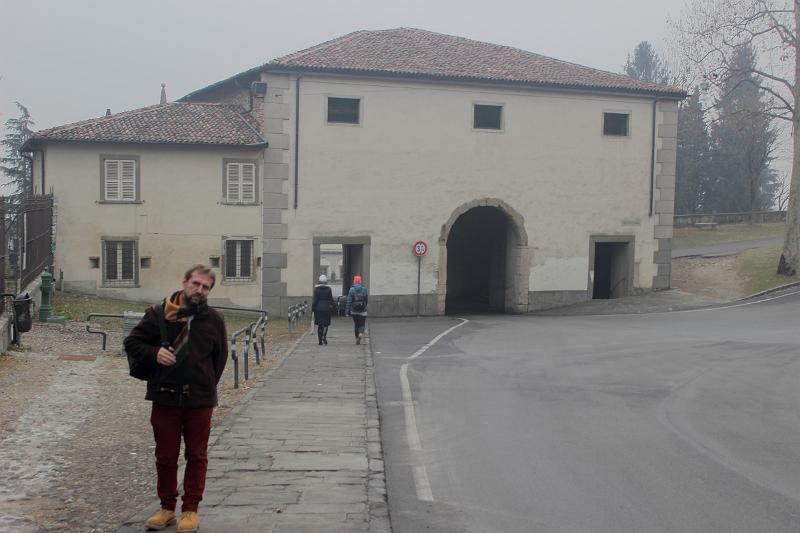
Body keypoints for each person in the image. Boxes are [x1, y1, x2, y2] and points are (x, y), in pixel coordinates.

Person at [124, 264, 228, 533]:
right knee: (166, 456)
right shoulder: (158, 313)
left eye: (205, 287)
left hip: (199, 400)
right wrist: (154, 354)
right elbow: (132, 342)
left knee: (197, 456)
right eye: (196, 284)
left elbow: (220, 359)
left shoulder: (214, 320)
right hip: (165, 398)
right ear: (185, 282)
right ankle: (167, 508)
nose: (199, 290)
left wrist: (204, 384)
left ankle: (191, 509)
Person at [312, 274, 335, 345]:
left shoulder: (316, 290)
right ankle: (324, 336)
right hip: (326, 308)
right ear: (326, 282)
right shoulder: (328, 289)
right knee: (326, 324)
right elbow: (331, 300)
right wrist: (334, 307)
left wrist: (313, 309)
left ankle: (320, 341)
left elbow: (315, 301)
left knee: (320, 325)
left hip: (318, 308)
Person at [346, 275, 369, 344]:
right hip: (362, 310)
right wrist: (365, 306)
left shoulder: (351, 290)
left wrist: (347, 311)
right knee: (362, 324)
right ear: (360, 281)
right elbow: (366, 299)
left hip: (354, 310)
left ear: (354, 281)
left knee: (356, 324)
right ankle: (360, 335)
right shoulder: (364, 289)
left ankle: (356, 338)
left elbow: (349, 301)